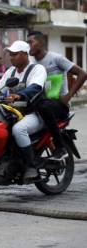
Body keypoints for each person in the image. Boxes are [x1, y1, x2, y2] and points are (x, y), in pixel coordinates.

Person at [0, 40, 47, 182]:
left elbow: (35, 87)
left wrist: (20, 95)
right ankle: (3, 159)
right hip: (14, 113)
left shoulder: (37, 69)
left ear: (24, 54)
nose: (11, 57)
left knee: (18, 130)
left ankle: (31, 166)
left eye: (14, 54)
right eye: (10, 55)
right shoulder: (11, 72)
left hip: (34, 113)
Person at [27, 31, 87, 160]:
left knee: (44, 107)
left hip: (59, 105)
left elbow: (82, 74)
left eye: (31, 42)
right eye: (27, 43)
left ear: (41, 42)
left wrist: (69, 96)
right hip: (42, 103)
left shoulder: (56, 58)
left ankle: (60, 147)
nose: (29, 46)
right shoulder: (32, 65)